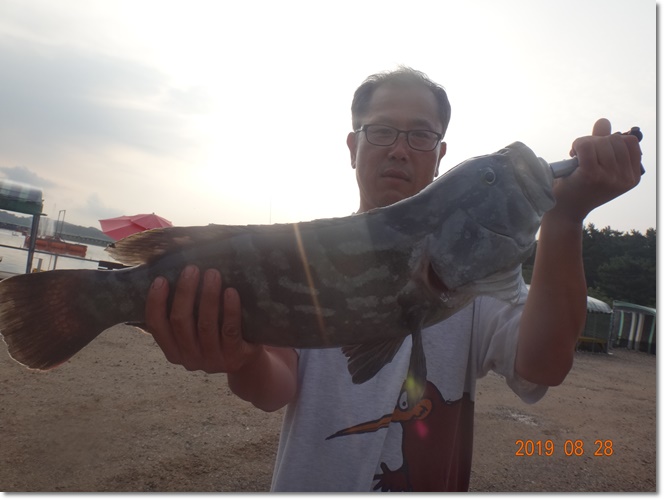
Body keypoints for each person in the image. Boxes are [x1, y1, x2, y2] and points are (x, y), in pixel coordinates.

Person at [143, 67, 642, 491]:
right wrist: (241, 357)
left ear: (440, 155)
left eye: (420, 135)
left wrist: (566, 218)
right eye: (381, 131)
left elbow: (544, 364)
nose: (400, 150)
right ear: (353, 146)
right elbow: (274, 388)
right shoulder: (304, 258)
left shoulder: (478, 283)